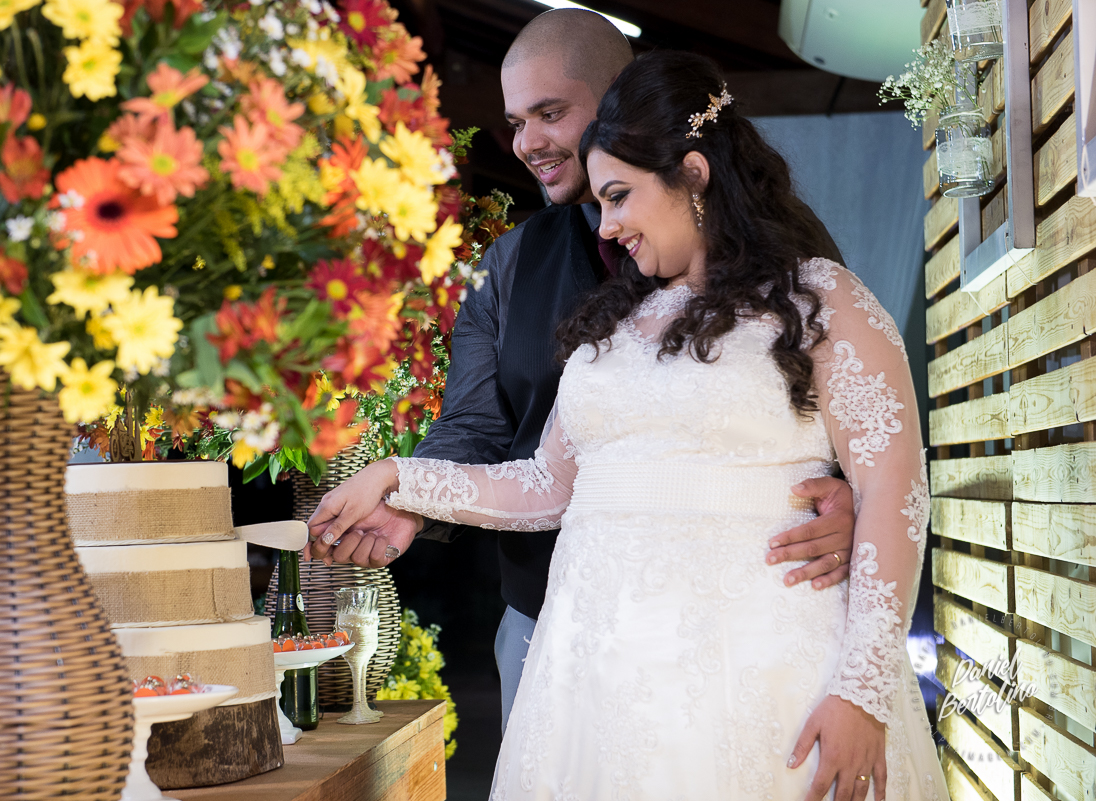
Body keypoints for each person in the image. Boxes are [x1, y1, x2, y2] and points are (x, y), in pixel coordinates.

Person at [310, 49, 948, 801]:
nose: (607, 227)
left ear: (694, 175)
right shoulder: (612, 324)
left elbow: (894, 489)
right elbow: (548, 486)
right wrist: (400, 478)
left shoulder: (821, 299)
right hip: (595, 678)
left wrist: (862, 692)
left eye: (618, 197)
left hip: (760, 664)